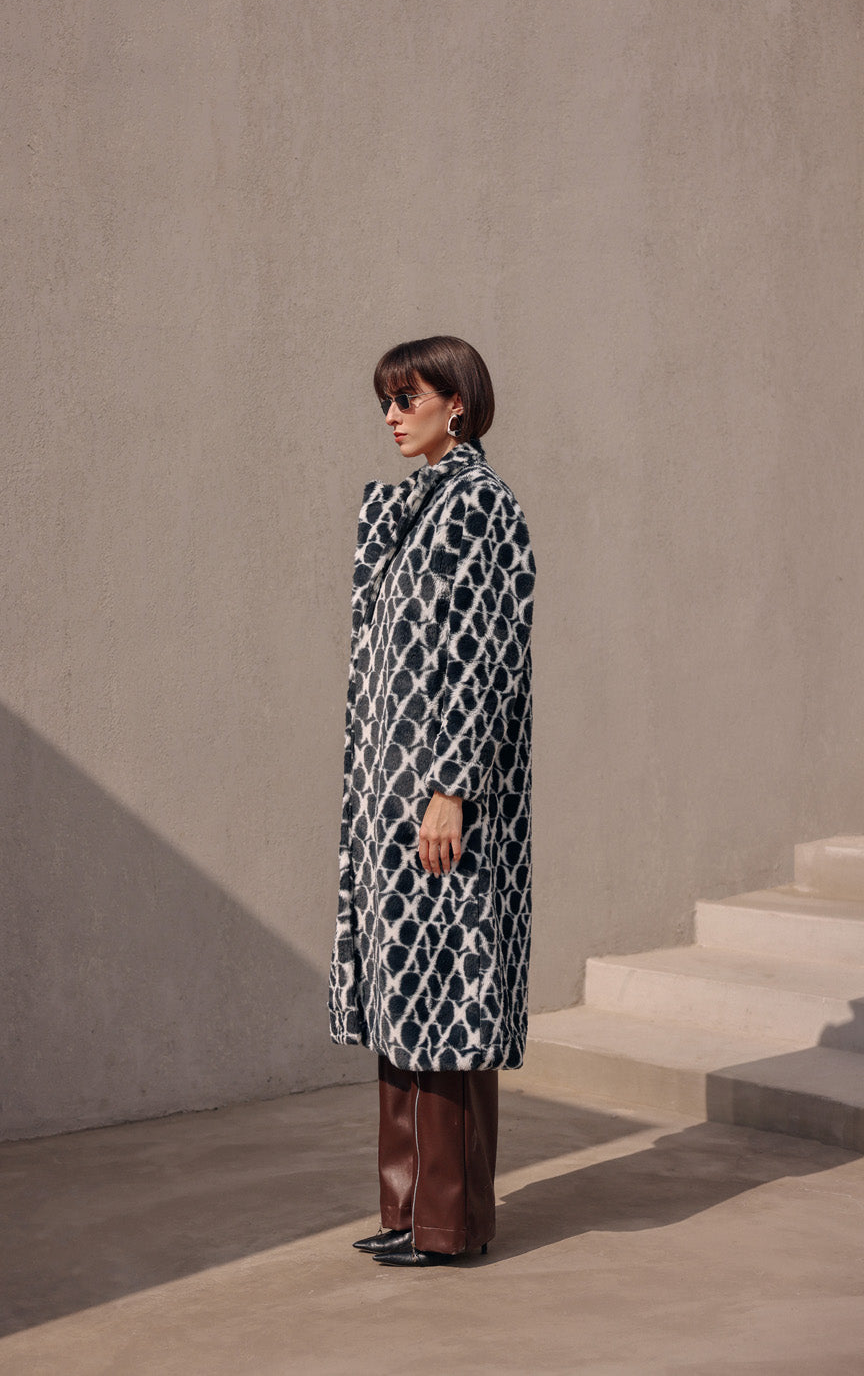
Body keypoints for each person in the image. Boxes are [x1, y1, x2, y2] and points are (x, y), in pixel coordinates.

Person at [328, 334, 536, 1267]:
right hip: (390, 796)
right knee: (401, 988)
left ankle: (450, 1224)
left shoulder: (480, 505)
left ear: (456, 401)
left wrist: (451, 787)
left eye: (406, 397)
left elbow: (487, 658)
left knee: (450, 987)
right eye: (385, 400)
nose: (391, 415)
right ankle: (407, 1210)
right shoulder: (415, 509)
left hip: (444, 796)